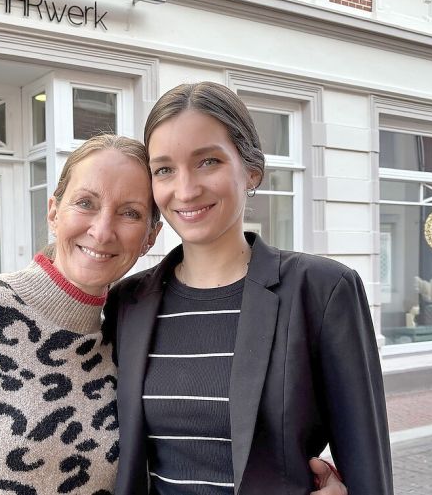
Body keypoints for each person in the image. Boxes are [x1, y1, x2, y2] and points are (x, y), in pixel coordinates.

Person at [0, 135, 348, 494]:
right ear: (54, 210)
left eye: (130, 213)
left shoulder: (125, 338)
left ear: (150, 236)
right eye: (85, 203)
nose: (102, 230)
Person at [106, 82, 392, 494]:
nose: (185, 190)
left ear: (251, 170)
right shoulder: (128, 302)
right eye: (164, 169)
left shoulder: (322, 290)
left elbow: (367, 464)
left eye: (208, 162)